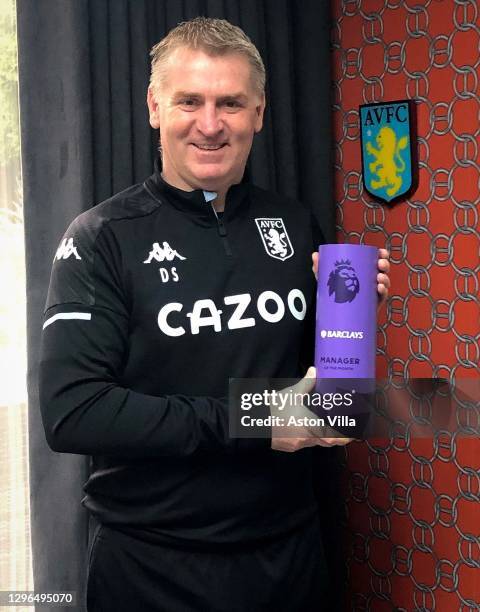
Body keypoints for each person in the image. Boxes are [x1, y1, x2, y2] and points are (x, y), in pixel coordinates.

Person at [39, 17, 390, 612]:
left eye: (230, 102)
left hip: (290, 554)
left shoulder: (294, 223)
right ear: (155, 107)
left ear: (258, 112)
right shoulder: (101, 237)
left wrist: (347, 319)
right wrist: (253, 419)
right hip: (155, 565)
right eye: (189, 101)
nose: (209, 124)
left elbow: (324, 397)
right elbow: (74, 413)